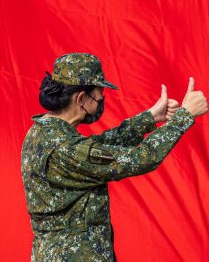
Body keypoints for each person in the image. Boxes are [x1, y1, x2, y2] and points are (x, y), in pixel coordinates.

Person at [21, 53, 207, 262]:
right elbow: (141, 158)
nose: (101, 100)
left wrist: (150, 118)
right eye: (98, 94)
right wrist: (185, 116)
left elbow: (97, 149)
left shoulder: (42, 131)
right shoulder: (66, 148)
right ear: (80, 98)